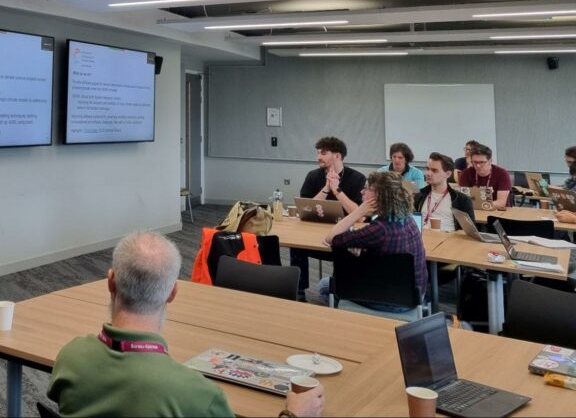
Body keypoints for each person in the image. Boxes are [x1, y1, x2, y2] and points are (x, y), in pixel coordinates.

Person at [47, 232, 324, 418]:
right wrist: (293, 413)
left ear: (110, 281)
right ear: (172, 293)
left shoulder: (70, 357)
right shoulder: (197, 395)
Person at [313, 171, 427, 312]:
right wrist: (363, 247)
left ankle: (354, 321)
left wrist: (359, 211)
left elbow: (330, 238)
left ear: (380, 196)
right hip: (413, 295)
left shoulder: (379, 230)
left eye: (368, 189)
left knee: (324, 286)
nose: (362, 191)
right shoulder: (407, 218)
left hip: (390, 300)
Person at [290, 137, 366, 299]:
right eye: (318, 153)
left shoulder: (357, 178)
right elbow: (306, 208)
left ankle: (339, 292)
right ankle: (299, 291)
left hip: (344, 235)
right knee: (295, 245)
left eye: (323, 153)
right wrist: (326, 188)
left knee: (352, 250)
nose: (318, 157)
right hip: (315, 234)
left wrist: (336, 190)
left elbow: (359, 215)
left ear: (337, 156)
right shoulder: (313, 176)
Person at [414, 153, 474, 231]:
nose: (428, 173)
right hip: (423, 239)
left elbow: (470, 232)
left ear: (448, 174)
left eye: (434, 170)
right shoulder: (419, 196)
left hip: (449, 240)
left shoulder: (462, 200)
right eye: (428, 169)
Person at [456, 143, 511, 210]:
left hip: (498, 211)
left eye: (482, 162)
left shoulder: (502, 174)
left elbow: (501, 202)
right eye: (475, 162)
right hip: (474, 210)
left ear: (490, 161)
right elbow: (463, 199)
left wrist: (480, 205)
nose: (478, 166)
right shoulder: (465, 173)